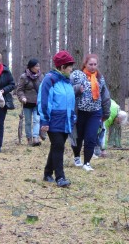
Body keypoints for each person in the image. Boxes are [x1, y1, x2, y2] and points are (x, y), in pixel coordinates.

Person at [38, 50, 76, 187]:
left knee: (56, 146)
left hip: (66, 120)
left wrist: (72, 117)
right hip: (53, 120)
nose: (71, 69)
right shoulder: (49, 80)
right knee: (58, 146)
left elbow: (70, 102)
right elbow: (44, 101)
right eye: (69, 66)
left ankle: (48, 173)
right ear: (61, 67)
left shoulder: (68, 82)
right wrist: (44, 120)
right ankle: (60, 177)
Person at [70, 54, 111, 171]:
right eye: (90, 64)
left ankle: (87, 163)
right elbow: (67, 90)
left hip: (95, 112)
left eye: (95, 64)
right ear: (85, 64)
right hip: (80, 112)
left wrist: (106, 113)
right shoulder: (77, 75)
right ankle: (77, 157)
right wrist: (77, 89)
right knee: (79, 137)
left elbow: (105, 96)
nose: (93, 67)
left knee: (91, 137)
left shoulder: (99, 77)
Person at [16, 58, 44, 146]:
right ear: (31, 67)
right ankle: (29, 138)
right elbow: (19, 90)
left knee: (37, 120)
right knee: (28, 121)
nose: (38, 67)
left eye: (39, 66)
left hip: (37, 103)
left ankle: (36, 137)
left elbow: (43, 89)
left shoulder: (41, 76)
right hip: (27, 103)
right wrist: (22, 98)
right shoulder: (24, 77)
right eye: (36, 66)